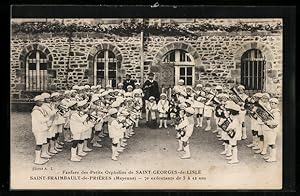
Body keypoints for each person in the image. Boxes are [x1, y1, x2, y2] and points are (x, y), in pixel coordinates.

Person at [31, 95, 51, 165]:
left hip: (42, 128)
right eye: (40, 101)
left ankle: (42, 155)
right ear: (36, 102)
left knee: (43, 142)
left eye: (42, 101)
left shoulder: (40, 108)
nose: (41, 103)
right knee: (39, 144)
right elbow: (41, 120)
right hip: (38, 129)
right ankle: (37, 159)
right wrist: (48, 118)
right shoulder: (36, 111)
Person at [263, 97, 281, 162]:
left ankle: (273, 157)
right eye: (271, 103)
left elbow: (275, 122)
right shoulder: (271, 110)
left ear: (277, 104)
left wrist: (267, 122)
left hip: (272, 129)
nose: (272, 104)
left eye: (274, 103)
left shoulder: (276, 112)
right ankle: (270, 155)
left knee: (272, 143)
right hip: (269, 128)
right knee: (269, 143)